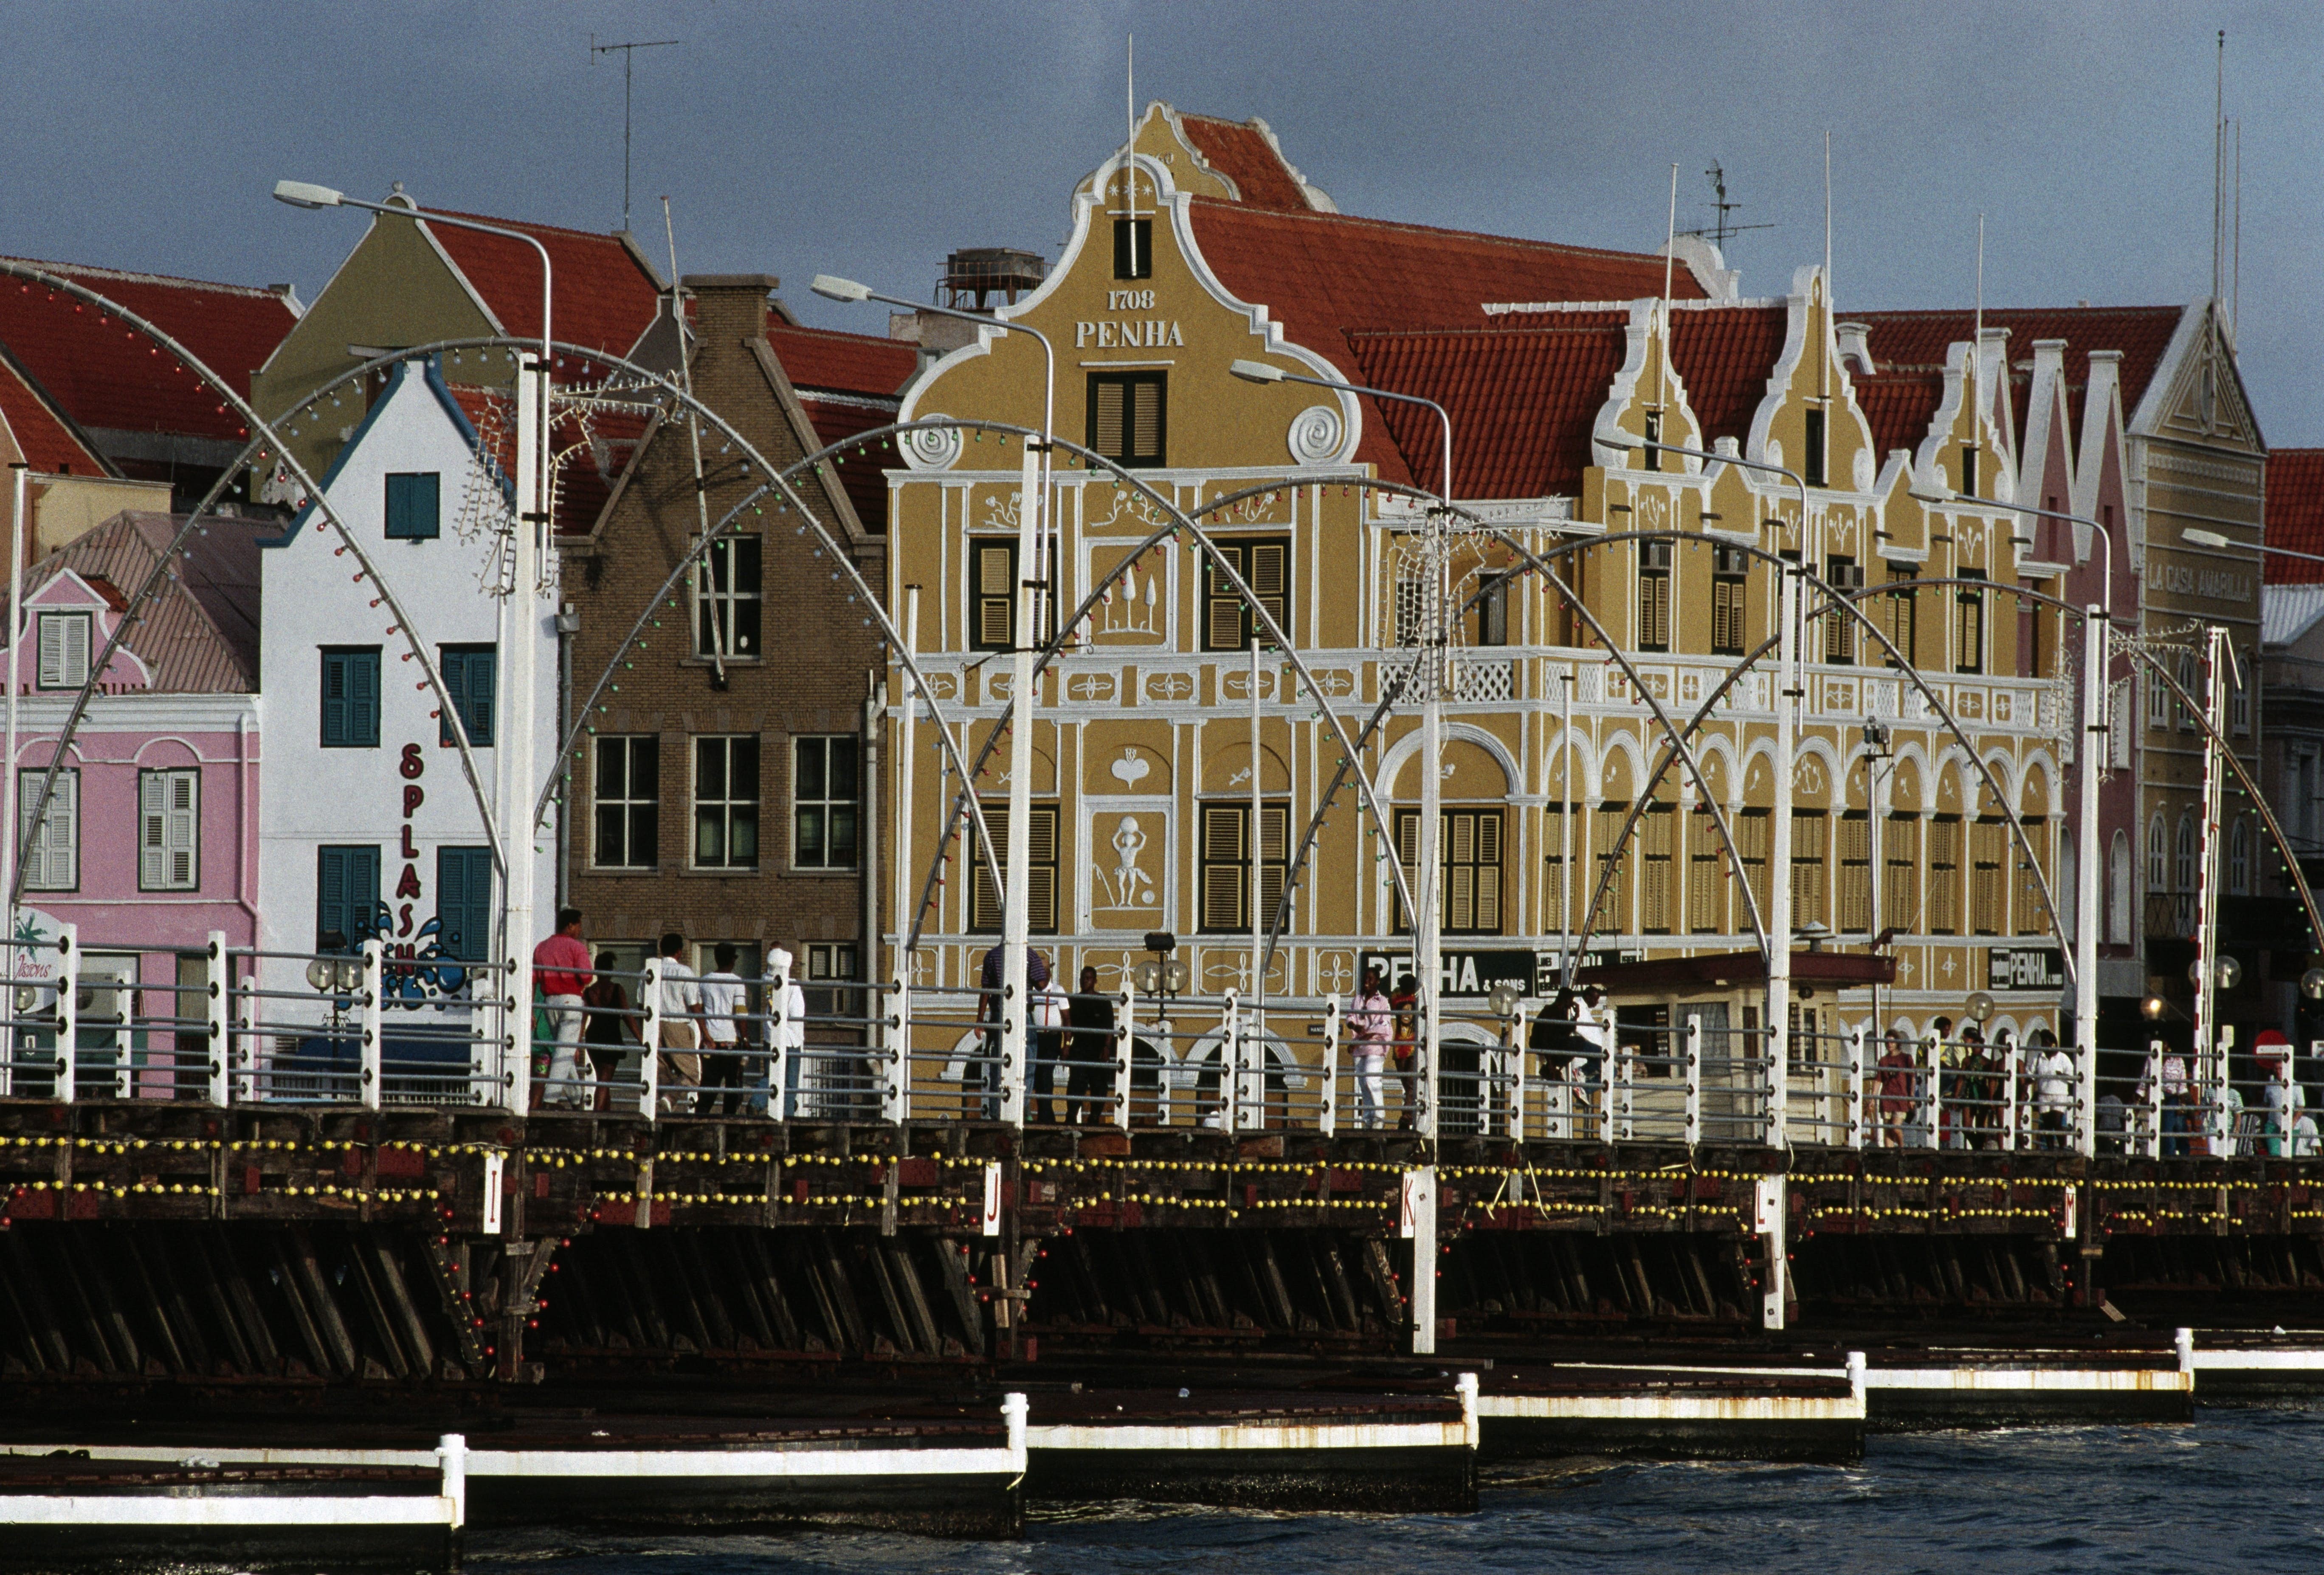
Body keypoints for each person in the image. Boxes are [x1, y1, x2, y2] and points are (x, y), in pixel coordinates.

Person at [976, 942, 1050, 1121]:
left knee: (998, 1063)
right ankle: (1022, 1110)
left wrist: (979, 1019)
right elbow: (1041, 985)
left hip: (998, 1012)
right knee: (1028, 1061)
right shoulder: (1031, 955)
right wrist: (1046, 970)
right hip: (1023, 1012)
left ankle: (996, 1111)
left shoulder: (992, 955)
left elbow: (986, 990)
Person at [532, 908, 593, 1110]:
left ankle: (577, 1101)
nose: (580, 930)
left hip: (550, 1002)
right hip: (571, 1000)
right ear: (570, 925)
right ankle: (550, 1100)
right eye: (579, 926)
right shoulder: (577, 947)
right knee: (564, 1051)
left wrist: (532, 1009)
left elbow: (534, 980)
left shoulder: (541, 948)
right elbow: (587, 977)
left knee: (562, 1050)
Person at [581, 951, 637, 1114]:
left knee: (603, 1079)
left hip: (593, 1036)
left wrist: (578, 1042)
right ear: (611, 970)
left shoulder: (589, 992)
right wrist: (641, 1039)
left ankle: (606, 1116)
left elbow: (583, 1019)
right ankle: (597, 1118)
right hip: (611, 1035)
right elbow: (627, 1016)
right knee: (605, 1080)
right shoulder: (617, 989)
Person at [654, 931, 703, 1114]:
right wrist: (706, 1034)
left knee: (661, 1070)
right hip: (677, 1024)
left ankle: (664, 1106)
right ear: (679, 952)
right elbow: (695, 1006)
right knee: (692, 1072)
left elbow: (642, 1004)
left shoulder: (650, 971)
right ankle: (670, 1098)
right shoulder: (684, 972)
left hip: (655, 1025)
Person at [697, 944, 747, 1118]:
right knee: (732, 1083)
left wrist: (703, 1035)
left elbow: (700, 1011)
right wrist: (746, 1039)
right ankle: (729, 1119)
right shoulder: (737, 982)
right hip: (730, 1040)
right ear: (733, 960)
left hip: (710, 1040)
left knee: (709, 1083)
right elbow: (741, 1012)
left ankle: (701, 1116)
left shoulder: (704, 981)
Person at [1065, 965, 1116, 1124]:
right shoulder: (1074, 1000)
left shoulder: (1103, 1001)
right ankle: (1072, 1115)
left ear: (1095, 981)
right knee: (1076, 1082)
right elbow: (1068, 1026)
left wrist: (1107, 1047)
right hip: (1079, 1047)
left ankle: (1095, 1116)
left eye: (1088, 978)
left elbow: (1110, 1027)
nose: (1085, 981)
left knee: (1099, 1084)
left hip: (1098, 1049)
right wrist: (1067, 1045)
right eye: (1083, 978)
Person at [1347, 965, 1392, 1130]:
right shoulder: (1358, 999)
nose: (1367, 983)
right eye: (1365, 979)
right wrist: (1353, 1026)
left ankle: (1379, 1117)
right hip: (1359, 1045)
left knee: (1372, 1080)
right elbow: (1351, 1016)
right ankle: (1368, 1119)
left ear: (1377, 982)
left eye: (1370, 980)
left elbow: (1384, 1024)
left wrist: (1367, 1034)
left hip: (1375, 1043)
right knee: (1363, 1083)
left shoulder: (1383, 1001)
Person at [1029, 958, 1067, 1123]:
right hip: (1035, 1038)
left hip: (1052, 1038)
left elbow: (1067, 1019)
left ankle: (1045, 1117)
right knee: (1036, 1076)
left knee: (1046, 1075)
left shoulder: (1059, 990)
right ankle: (1046, 1116)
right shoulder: (1031, 991)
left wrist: (1067, 1044)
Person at [2030, 1033, 2074, 1150]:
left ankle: (2062, 1147)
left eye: (2047, 1043)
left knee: (2057, 1121)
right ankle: (2050, 1149)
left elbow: (2072, 1077)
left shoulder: (2063, 1058)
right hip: (2044, 1094)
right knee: (2047, 1124)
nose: (2045, 1046)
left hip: (2059, 1094)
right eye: (2043, 1043)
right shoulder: (2039, 1058)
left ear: (2053, 1044)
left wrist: (2062, 1075)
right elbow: (2030, 1074)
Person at [1390, 973, 1420, 1131]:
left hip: (1404, 1047)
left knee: (1409, 1084)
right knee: (1410, 1085)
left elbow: (1393, 994)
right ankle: (1408, 1116)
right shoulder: (1417, 999)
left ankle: (1406, 1116)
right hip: (1407, 1047)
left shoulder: (1396, 998)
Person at [1876, 1028, 1916, 1149]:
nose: (1890, 1045)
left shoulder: (1906, 1058)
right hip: (1887, 1097)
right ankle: (1890, 1154)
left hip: (1901, 1097)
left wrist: (1912, 1096)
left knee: (1895, 1127)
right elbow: (1879, 1080)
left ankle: (1901, 1148)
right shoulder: (1883, 1061)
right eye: (1887, 1042)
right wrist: (1873, 1098)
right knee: (1888, 1129)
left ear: (1898, 1043)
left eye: (1892, 1042)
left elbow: (1913, 1078)